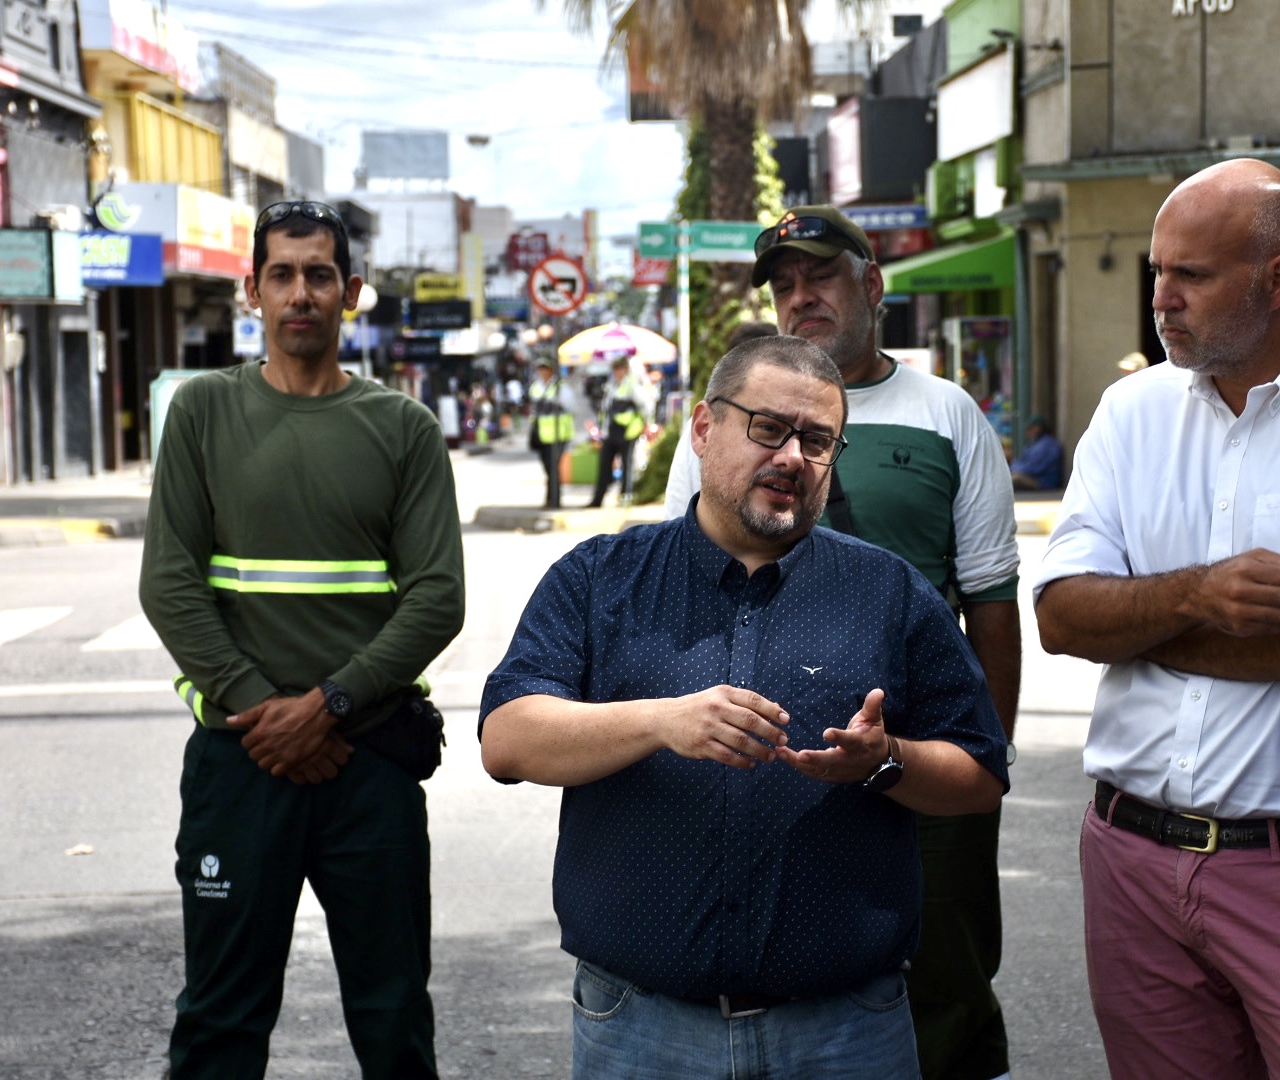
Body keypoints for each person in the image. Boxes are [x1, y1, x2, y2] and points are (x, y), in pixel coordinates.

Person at [480, 336, 1009, 1079]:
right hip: (641, 1029)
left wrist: (887, 761)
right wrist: (661, 721)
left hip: (846, 1033)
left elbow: (980, 774)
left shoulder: (888, 594)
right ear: (703, 430)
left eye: (819, 440)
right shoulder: (602, 578)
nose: (793, 455)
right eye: (769, 428)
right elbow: (507, 737)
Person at [1033, 159, 1280, 1080]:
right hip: (1130, 862)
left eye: (1192, 276)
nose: (1163, 301)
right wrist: (1195, 594)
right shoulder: (1129, 414)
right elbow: (1061, 616)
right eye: (1155, 273)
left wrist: (1134, 624)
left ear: (1279, 277)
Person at [663, 206, 1021, 1080]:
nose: (801, 297)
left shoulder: (946, 413)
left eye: (819, 275)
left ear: (872, 283)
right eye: (784, 285)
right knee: (792, 984)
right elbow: (681, 571)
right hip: (770, 755)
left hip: (916, 756)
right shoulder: (721, 424)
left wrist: (982, 766)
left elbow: (993, 603)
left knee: (947, 976)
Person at [139, 199, 466, 1079]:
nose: (300, 293)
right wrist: (266, 714)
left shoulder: (403, 429)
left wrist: (327, 707)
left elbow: (437, 600)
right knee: (219, 1021)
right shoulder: (203, 414)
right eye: (281, 273)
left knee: (395, 1014)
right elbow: (168, 585)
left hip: (368, 765)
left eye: (319, 274)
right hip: (240, 762)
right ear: (252, 291)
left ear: (350, 291)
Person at [587, 355, 654, 507]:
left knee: (627, 464)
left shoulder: (633, 386)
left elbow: (646, 406)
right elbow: (606, 408)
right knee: (604, 464)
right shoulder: (611, 385)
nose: (617, 371)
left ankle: (626, 497)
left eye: (619, 368)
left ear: (625, 369)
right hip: (611, 431)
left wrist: (646, 423)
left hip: (627, 431)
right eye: (615, 368)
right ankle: (598, 499)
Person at [527, 357, 575, 510]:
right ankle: (550, 498)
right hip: (542, 434)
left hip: (558, 434)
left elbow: (572, 408)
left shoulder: (561, 388)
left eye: (545, 368)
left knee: (553, 467)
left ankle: (555, 499)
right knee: (548, 468)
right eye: (540, 368)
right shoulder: (536, 387)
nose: (542, 372)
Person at [1007, 416, 1063, 491]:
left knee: (1014, 478)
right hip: (1034, 477)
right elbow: (1025, 461)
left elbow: (1034, 468)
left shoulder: (1047, 444)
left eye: (1030, 429)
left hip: (1044, 482)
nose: (1027, 432)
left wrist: (1012, 466)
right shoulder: (1035, 443)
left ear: (1038, 428)